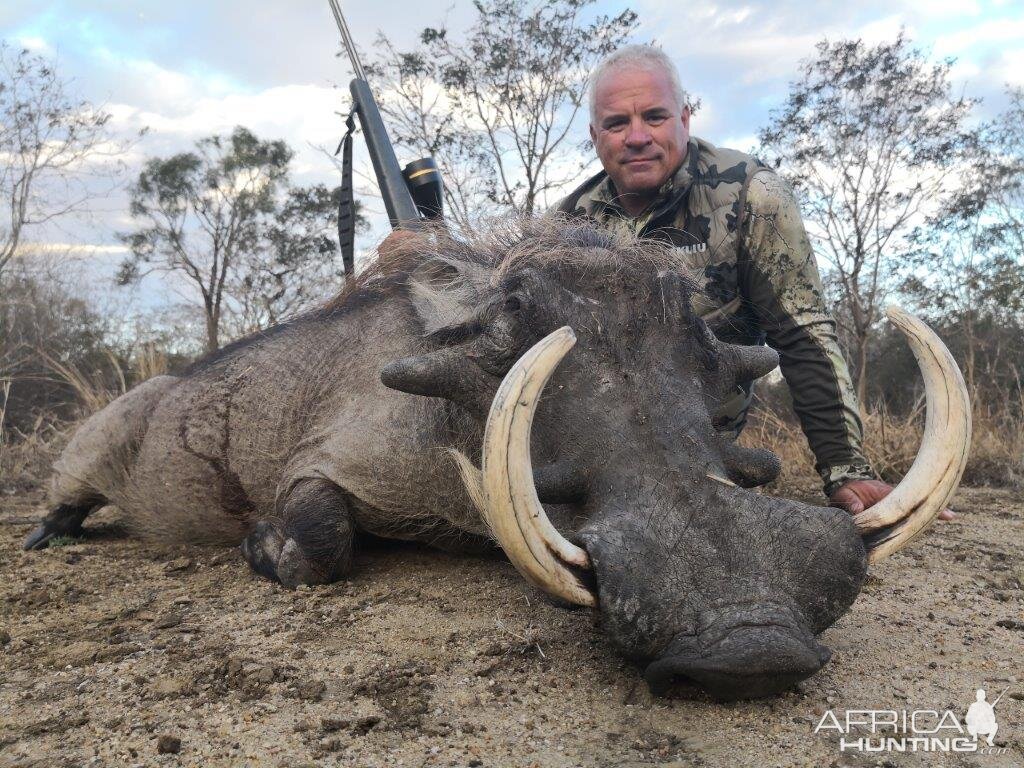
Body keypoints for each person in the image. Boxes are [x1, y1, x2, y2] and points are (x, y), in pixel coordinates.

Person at [553, 44, 944, 516]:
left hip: (703, 449)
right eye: (617, 123)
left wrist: (846, 469)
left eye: (654, 117)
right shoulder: (563, 224)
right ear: (595, 135)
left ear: (685, 118)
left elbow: (801, 333)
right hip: (592, 447)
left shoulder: (751, 194)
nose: (637, 137)